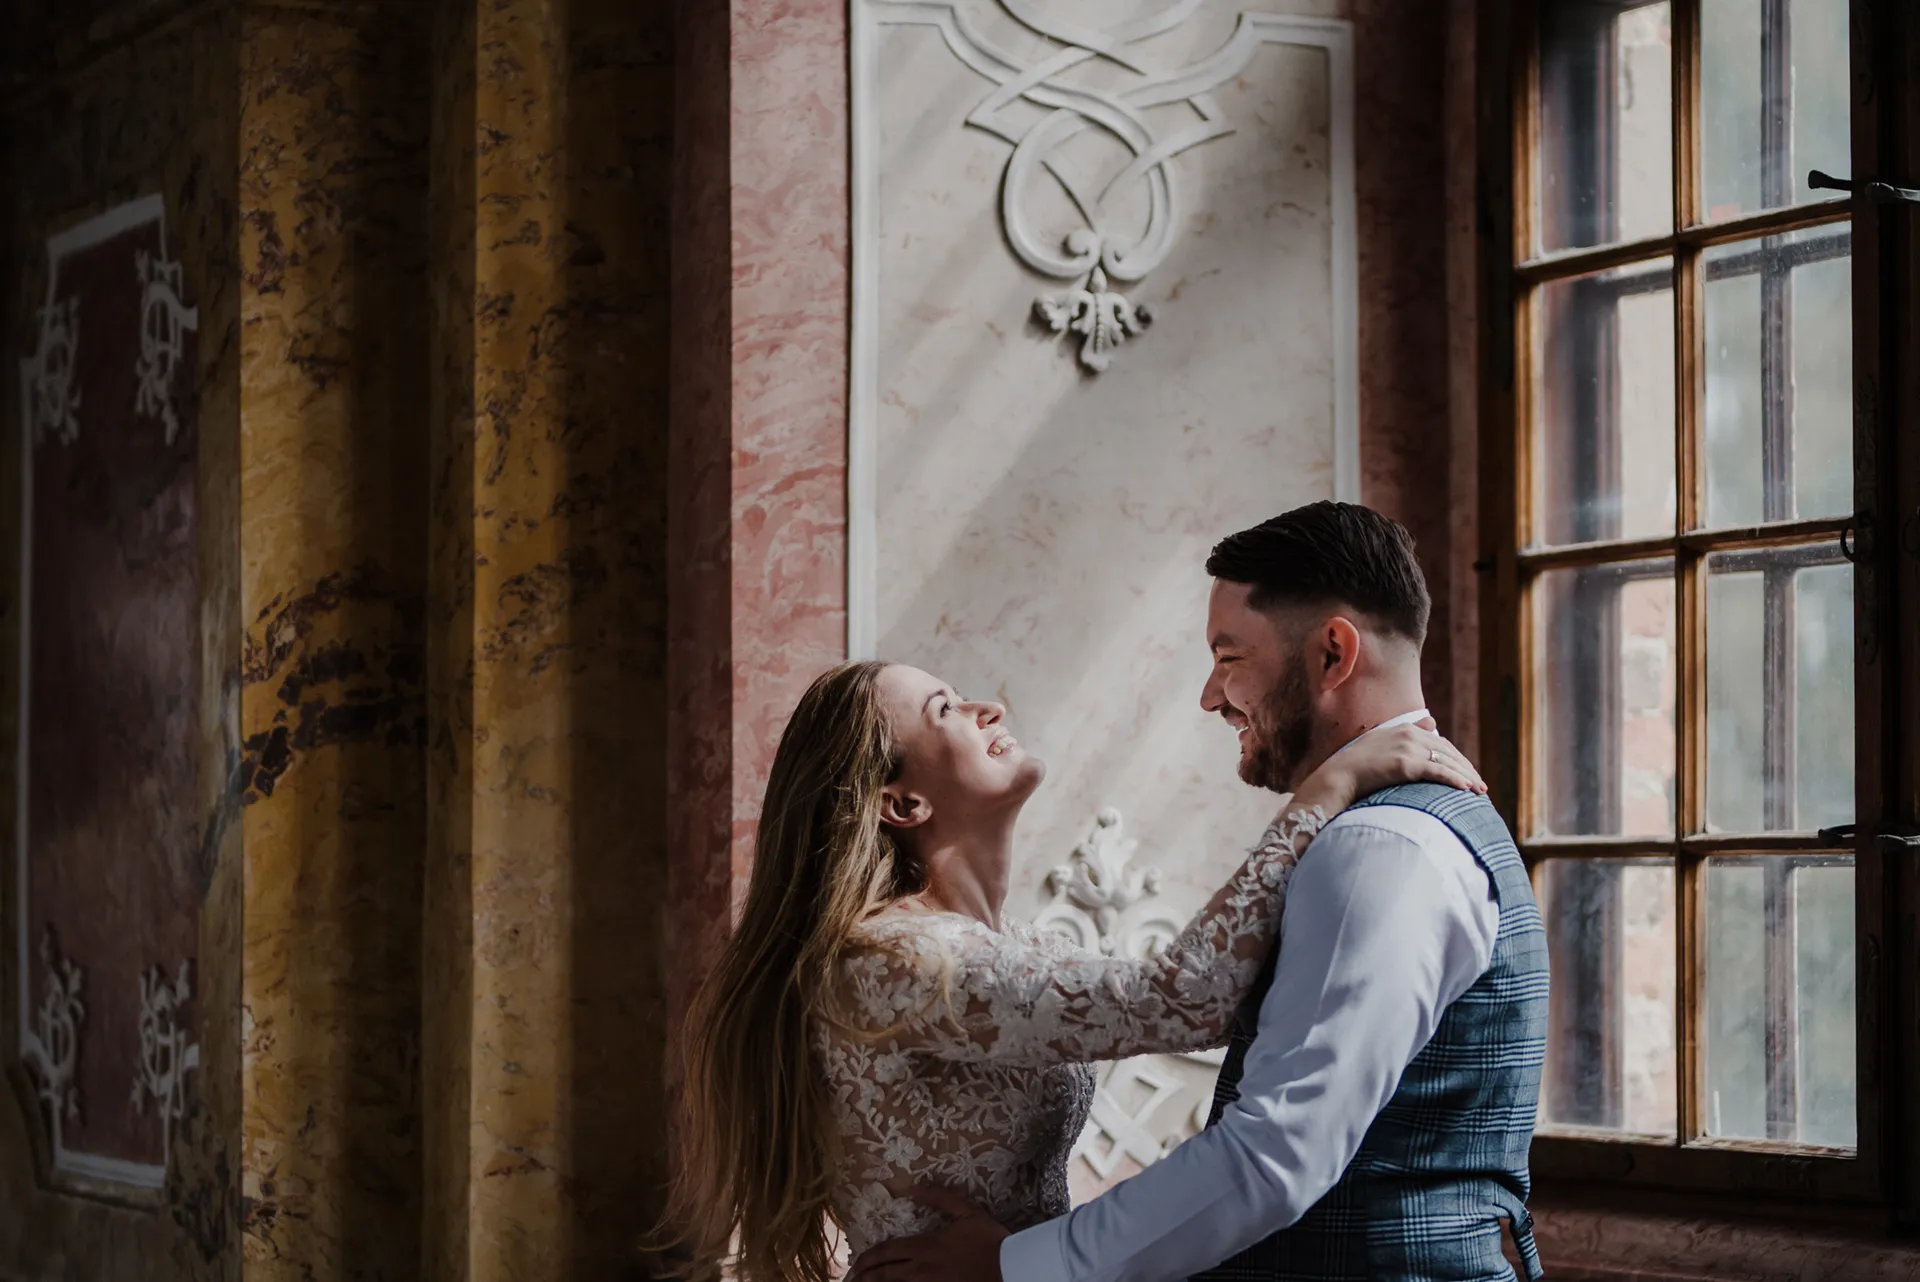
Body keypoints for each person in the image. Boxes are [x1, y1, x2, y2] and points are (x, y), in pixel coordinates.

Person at [847, 501, 1549, 1282]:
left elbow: (1273, 1156)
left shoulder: (1377, 849)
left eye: (1229, 657)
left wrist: (1019, 1265)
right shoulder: (1418, 825)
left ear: (1333, 653)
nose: (1210, 697)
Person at [662, 635, 1484, 1281]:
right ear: (902, 803)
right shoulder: (891, 961)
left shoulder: (1013, 946)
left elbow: (1212, 997)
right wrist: (1324, 794)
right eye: (947, 709)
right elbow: (1189, 999)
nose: (988, 706)